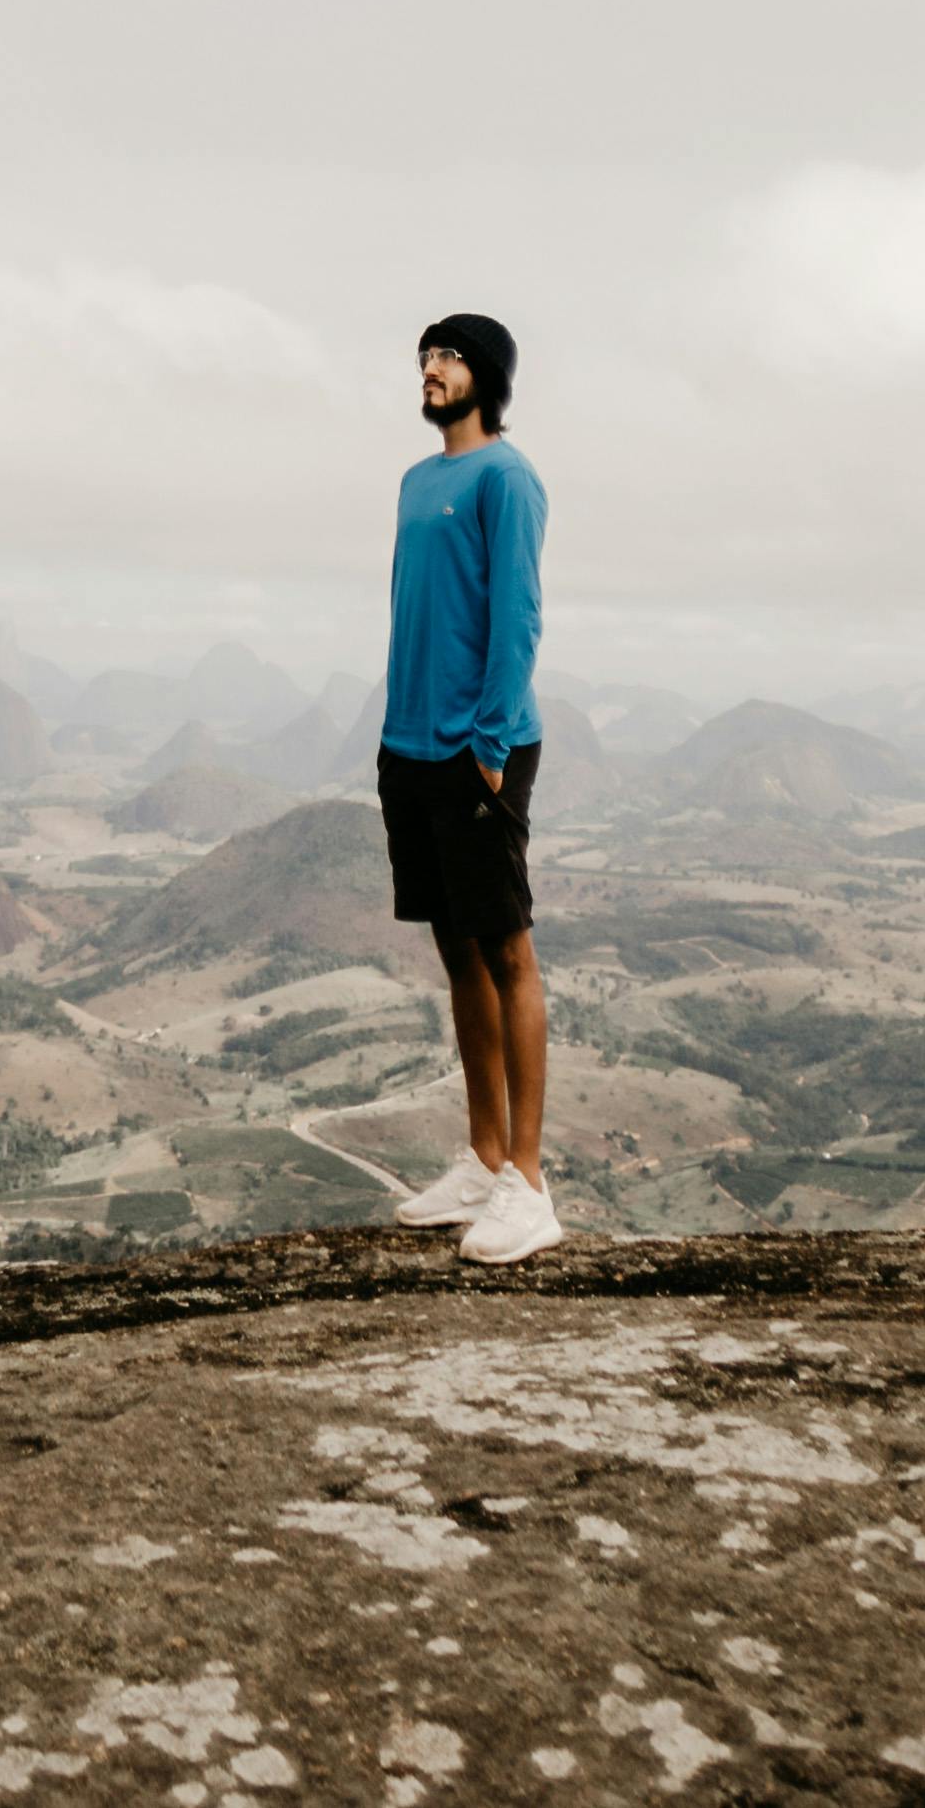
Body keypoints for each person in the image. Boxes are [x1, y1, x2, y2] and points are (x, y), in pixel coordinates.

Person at [377, 308, 559, 1261]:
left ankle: (528, 1182)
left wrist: (487, 742)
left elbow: (518, 615)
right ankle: (484, 1158)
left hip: (475, 748)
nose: (430, 369)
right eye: (423, 357)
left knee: (507, 953)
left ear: (485, 375)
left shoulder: (506, 476)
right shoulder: (417, 479)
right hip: (411, 746)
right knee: (457, 953)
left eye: (445, 356)